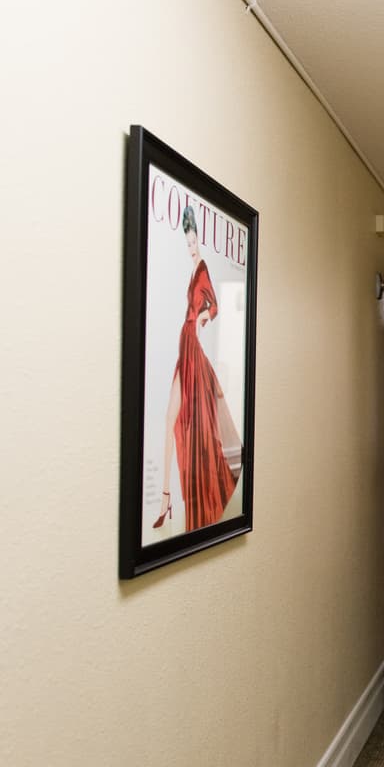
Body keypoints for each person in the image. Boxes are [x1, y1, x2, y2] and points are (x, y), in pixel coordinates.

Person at [152, 205, 237, 532]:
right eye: (187, 243)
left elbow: (214, 306)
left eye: (193, 242)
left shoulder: (202, 269)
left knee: (182, 421)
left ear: (199, 239)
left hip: (191, 348)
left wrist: (202, 317)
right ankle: (165, 496)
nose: (190, 248)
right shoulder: (192, 270)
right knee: (171, 419)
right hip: (184, 346)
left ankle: (166, 498)